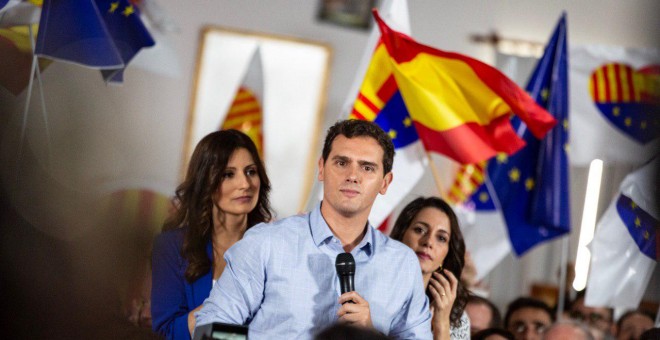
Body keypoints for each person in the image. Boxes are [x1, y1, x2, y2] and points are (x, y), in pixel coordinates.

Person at [195, 120, 432, 338]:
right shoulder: (266, 243)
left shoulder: (403, 264)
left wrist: (372, 335)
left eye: (367, 168)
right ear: (321, 168)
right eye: (341, 162)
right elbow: (212, 326)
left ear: (385, 182)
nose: (352, 176)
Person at [151, 130, 272, 340]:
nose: (245, 184)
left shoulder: (275, 245)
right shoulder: (171, 246)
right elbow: (167, 331)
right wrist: (226, 304)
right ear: (205, 181)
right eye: (228, 174)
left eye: (251, 171)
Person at [389, 196, 470, 339]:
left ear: (447, 253)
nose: (428, 242)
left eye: (441, 238)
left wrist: (442, 323)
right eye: (420, 230)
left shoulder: (457, 317)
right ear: (402, 234)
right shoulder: (373, 287)